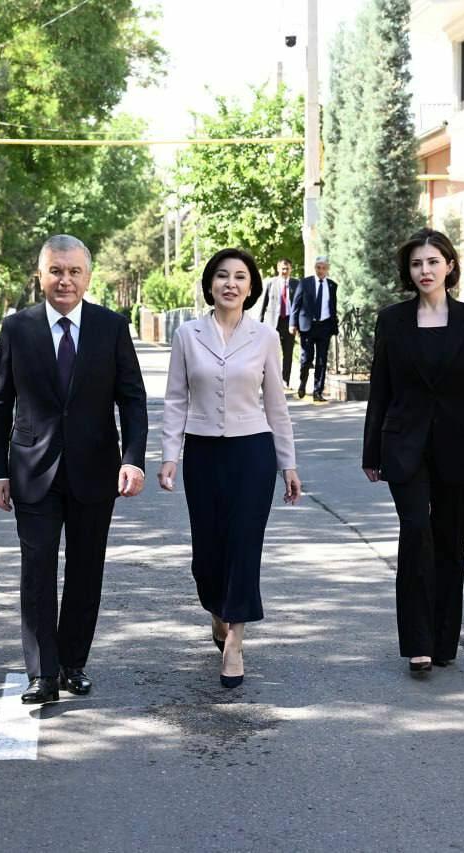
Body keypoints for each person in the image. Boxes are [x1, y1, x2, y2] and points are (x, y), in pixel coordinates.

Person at [0, 234, 149, 705]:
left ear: (88, 277)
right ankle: (42, 673)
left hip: (95, 470)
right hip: (31, 470)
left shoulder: (111, 327)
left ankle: (73, 663)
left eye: (74, 271)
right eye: (56, 271)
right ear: (40, 275)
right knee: (36, 571)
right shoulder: (17, 328)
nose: (65, 280)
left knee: (85, 570)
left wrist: (133, 459)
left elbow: (132, 399)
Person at [362, 229, 464, 676]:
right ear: (407, 272)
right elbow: (380, 388)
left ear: (449, 265)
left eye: (432, 262)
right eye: (416, 264)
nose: (424, 271)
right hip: (403, 445)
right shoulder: (392, 320)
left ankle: (444, 640)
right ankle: (418, 643)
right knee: (416, 531)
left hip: (457, 445)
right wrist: (371, 451)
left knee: (450, 540)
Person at [160, 248, 302, 688]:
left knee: (244, 545)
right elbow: (175, 399)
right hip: (203, 453)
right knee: (207, 553)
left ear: (251, 287)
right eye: (222, 275)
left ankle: (235, 642)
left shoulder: (265, 337)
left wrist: (288, 464)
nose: (231, 283)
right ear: (210, 284)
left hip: (252, 453)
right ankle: (217, 612)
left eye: (240, 276)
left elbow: (276, 405)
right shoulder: (187, 335)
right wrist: (170, 456)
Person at [290, 256, 339, 402]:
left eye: (324, 268)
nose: (321, 270)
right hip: (307, 326)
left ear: (327, 269)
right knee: (306, 358)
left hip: (325, 326)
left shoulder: (332, 285)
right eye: (318, 267)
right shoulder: (305, 283)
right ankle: (303, 383)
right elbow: (296, 304)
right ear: (315, 268)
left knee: (322, 360)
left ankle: (318, 391)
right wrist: (292, 324)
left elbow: (332, 306)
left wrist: (333, 325)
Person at [259, 258, 299, 388]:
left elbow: (299, 305)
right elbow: (264, 304)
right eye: (282, 268)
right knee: (271, 353)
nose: (285, 271)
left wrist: (298, 324)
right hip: (273, 323)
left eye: (287, 269)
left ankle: (285, 380)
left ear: (291, 269)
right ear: (278, 268)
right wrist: (259, 323)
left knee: (288, 353)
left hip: (289, 322)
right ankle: (270, 379)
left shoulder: (296, 284)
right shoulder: (271, 283)